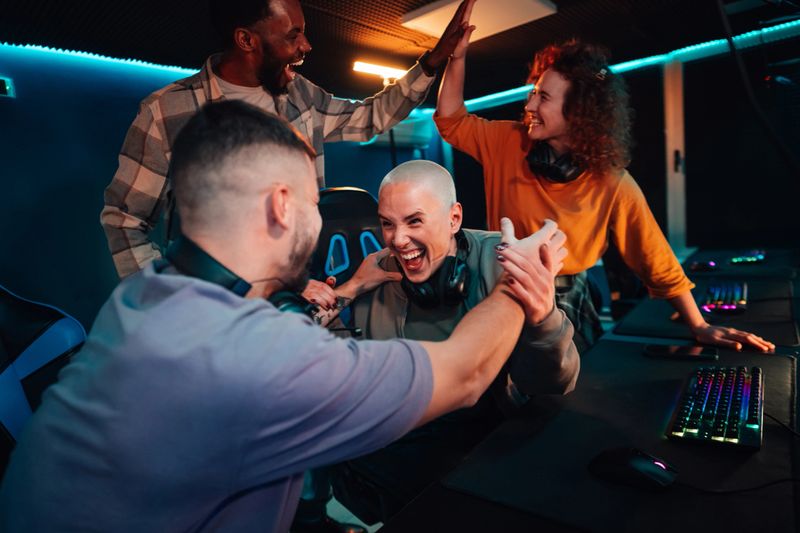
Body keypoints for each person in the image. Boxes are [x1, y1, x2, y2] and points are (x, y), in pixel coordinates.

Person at [0, 101, 568, 533]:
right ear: (281, 206)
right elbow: (464, 374)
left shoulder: (141, 296)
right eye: (315, 202)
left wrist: (347, 289)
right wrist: (522, 277)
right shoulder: (259, 360)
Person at [433, 33, 775, 353]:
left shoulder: (611, 181)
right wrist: (458, 56)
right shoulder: (507, 141)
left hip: (567, 301)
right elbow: (450, 119)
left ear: (579, 112)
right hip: (502, 290)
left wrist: (699, 325)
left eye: (544, 96)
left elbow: (654, 257)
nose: (530, 105)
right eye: (533, 92)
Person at [101, 0, 478, 279]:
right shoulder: (166, 112)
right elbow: (124, 220)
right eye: (292, 35)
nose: (306, 46)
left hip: (298, 291)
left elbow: (369, 117)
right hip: (213, 309)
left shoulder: (301, 95)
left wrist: (432, 62)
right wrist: (165, 297)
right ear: (246, 40)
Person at [301, 160, 579, 523]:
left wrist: (543, 319)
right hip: (403, 439)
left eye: (414, 221)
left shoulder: (503, 261)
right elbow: (345, 369)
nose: (398, 240)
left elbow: (555, 381)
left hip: (488, 437)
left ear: (454, 219)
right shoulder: (379, 271)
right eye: (387, 223)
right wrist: (351, 290)